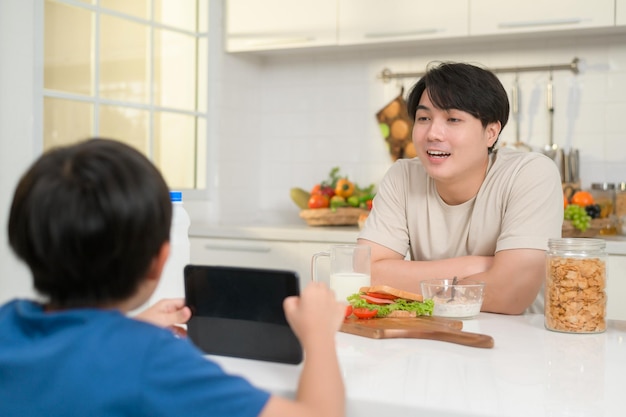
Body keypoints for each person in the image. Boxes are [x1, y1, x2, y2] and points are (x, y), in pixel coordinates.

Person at [0, 138, 346, 417]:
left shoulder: (8, 323)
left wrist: (131, 326)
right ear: (159, 260)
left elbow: (76, 352)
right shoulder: (153, 361)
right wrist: (318, 337)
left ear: (23, 241)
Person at [358, 62, 563, 315]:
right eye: (424, 118)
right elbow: (364, 276)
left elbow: (510, 295)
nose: (433, 133)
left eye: (453, 119)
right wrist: (479, 267)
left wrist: (403, 277)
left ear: (491, 132)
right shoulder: (403, 176)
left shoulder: (530, 173)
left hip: (518, 341)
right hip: (433, 336)